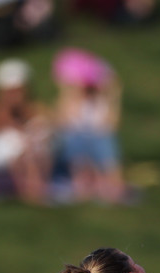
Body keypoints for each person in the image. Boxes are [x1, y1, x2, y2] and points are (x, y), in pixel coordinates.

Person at [52, 48, 128, 204]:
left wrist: (114, 96)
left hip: (99, 141)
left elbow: (111, 126)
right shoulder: (72, 100)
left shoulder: (102, 103)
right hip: (77, 142)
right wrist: (69, 92)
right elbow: (63, 121)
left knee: (105, 141)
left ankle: (109, 184)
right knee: (74, 140)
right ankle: (87, 185)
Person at [0, 57, 53, 202]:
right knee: (18, 145)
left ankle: (35, 188)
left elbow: (45, 122)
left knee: (31, 147)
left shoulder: (33, 107)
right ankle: (27, 188)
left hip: (30, 151)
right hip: (5, 156)